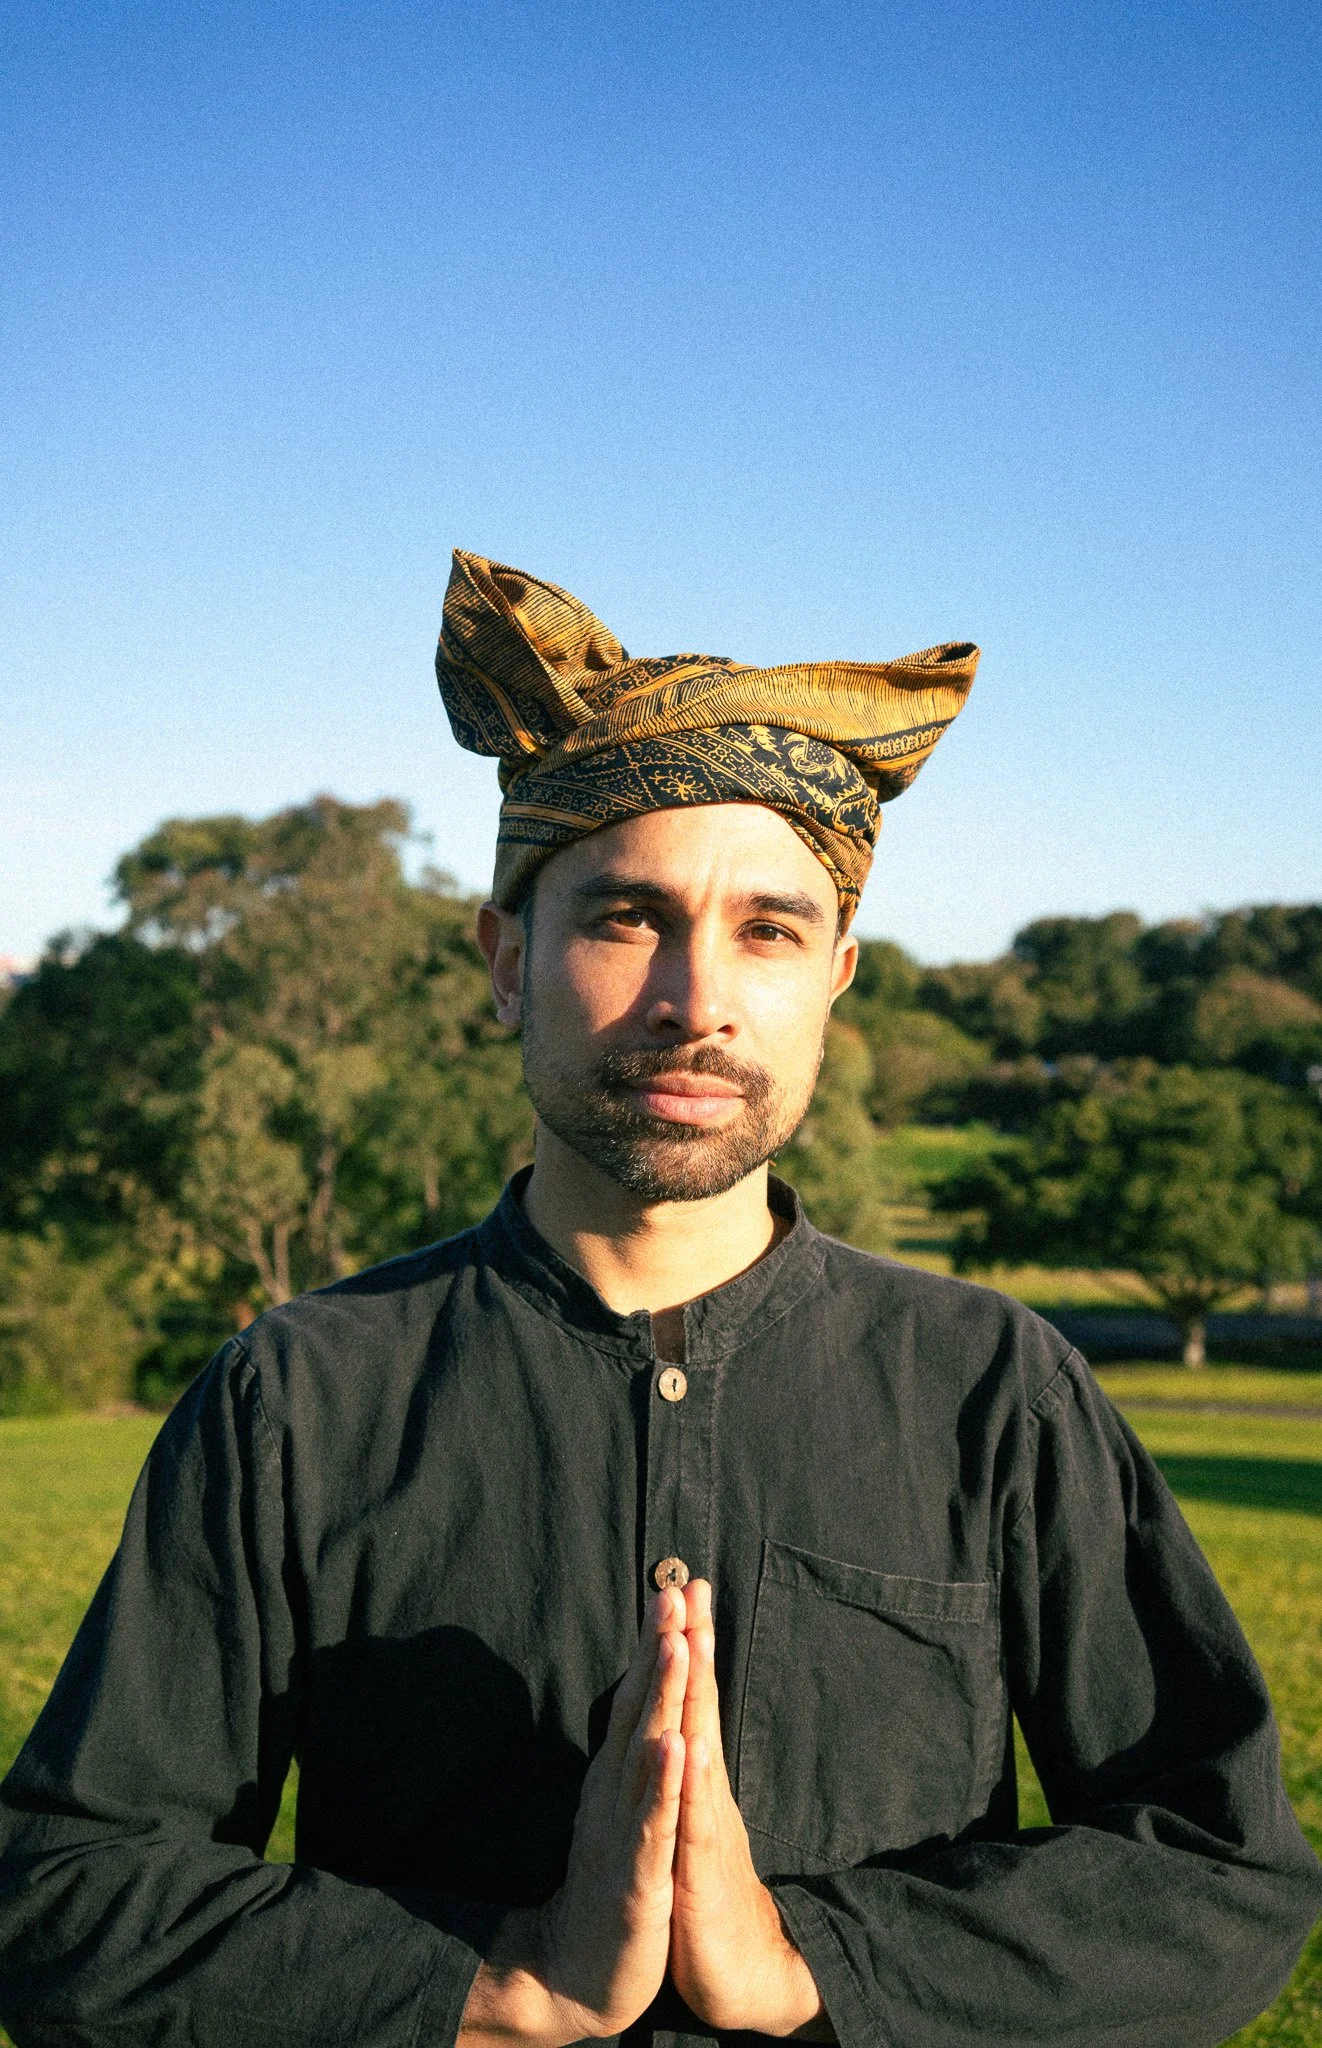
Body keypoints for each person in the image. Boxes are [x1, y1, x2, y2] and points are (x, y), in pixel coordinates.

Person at [0, 551, 1317, 2048]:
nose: (698, 998)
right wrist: (496, 1981)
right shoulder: (302, 1395)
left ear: (833, 977)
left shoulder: (989, 1387)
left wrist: (809, 1963)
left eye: (768, 928)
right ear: (507, 962)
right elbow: (70, 1893)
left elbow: (1217, 1871)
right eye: (625, 917)